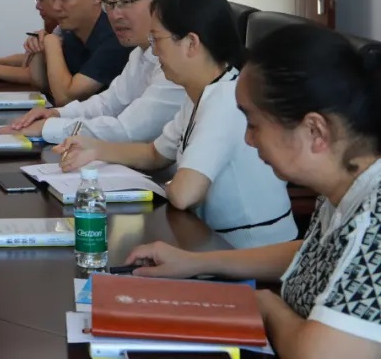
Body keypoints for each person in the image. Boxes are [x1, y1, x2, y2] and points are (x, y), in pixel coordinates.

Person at [125, 24, 381, 358]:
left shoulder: (374, 215)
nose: (248, 139)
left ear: (315, 130)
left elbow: (318, 354)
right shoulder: (345, 183)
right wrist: (194, 262)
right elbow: (314, 254)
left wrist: (266, 305)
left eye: (254, 124)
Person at [54, 0, 297, 249]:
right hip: (210, 242)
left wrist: (167, 184)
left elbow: (184, 194)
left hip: (249, 252)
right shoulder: (201, 91)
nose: (154, 52)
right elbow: (155, 154)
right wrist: (95, 149)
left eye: (157, 40)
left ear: (191, 43)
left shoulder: (226, 99)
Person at [0, 0, 185, 143]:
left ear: (163, 2)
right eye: (110, 3)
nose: (115, 14)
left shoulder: (179, 58)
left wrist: (49, 128)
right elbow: (107, 104)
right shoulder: (140, 52)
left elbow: (128, 130)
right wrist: (56, 114)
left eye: (127, 1)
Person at [25, 0, 131, 105]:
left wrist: (51, 43)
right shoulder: (71, 32)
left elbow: (65, 98)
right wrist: (38, 48)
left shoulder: (115, 37)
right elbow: (42, 84)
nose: (55, 7)